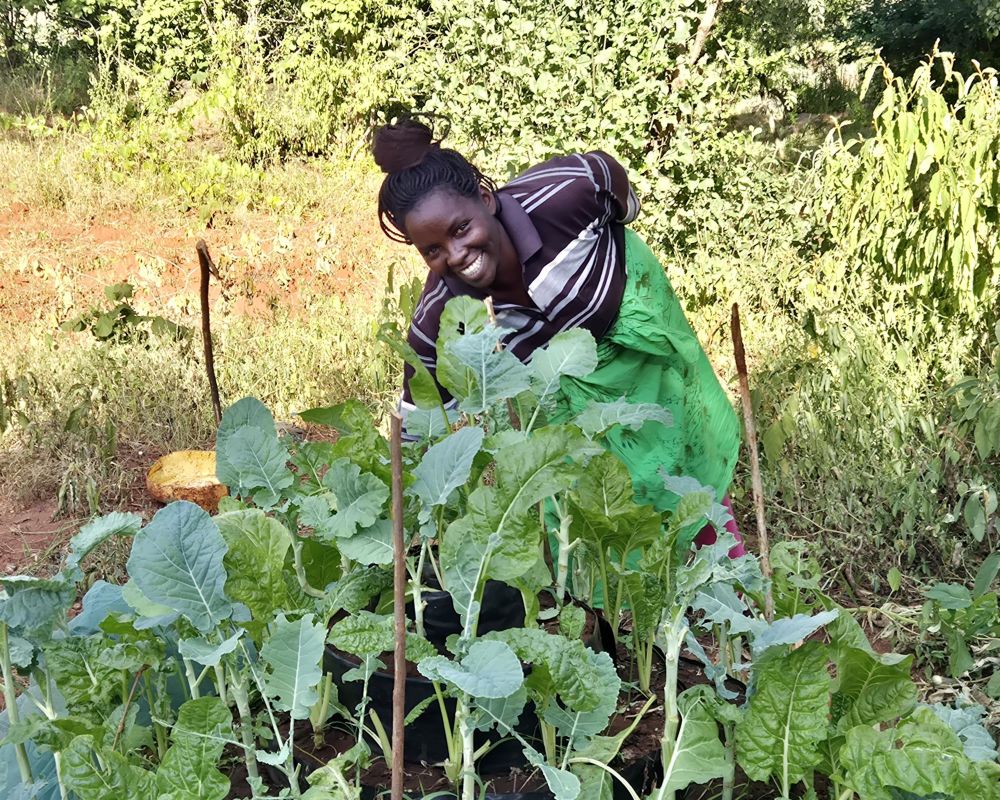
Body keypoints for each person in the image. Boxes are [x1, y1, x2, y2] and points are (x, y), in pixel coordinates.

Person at [372, 117, 744, 555]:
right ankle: (620, 615)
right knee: (586, 513)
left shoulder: (564, 197)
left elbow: (609, 177)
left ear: (487, 201)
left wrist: (624, 224)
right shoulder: (444, 316)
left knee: (684, 468)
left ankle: (725, 589)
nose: (455, 256)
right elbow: (418, 424)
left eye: (460, 230)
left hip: (635, 336)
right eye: (432, 250)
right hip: (562, 389)